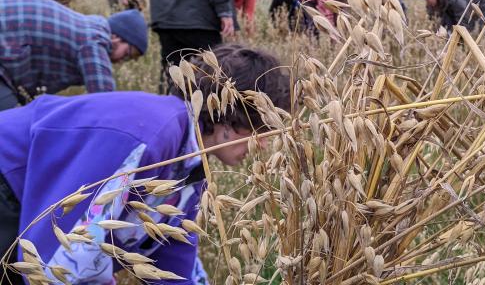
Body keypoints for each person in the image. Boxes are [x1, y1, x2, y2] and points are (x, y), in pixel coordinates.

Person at [0, 44, 291, 285]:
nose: (264, 144)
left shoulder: (188, 162)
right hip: (7, 187)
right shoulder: (151, 136)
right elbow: (62, 259)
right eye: (263, 129)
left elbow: (172, 252)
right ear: (232, 113)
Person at [0, 0, 148, 111]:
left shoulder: (90, 26)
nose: (123, 61)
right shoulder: (94, 41)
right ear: (117, 38)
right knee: (14, 122)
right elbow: (105, 103)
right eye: (127, 54)